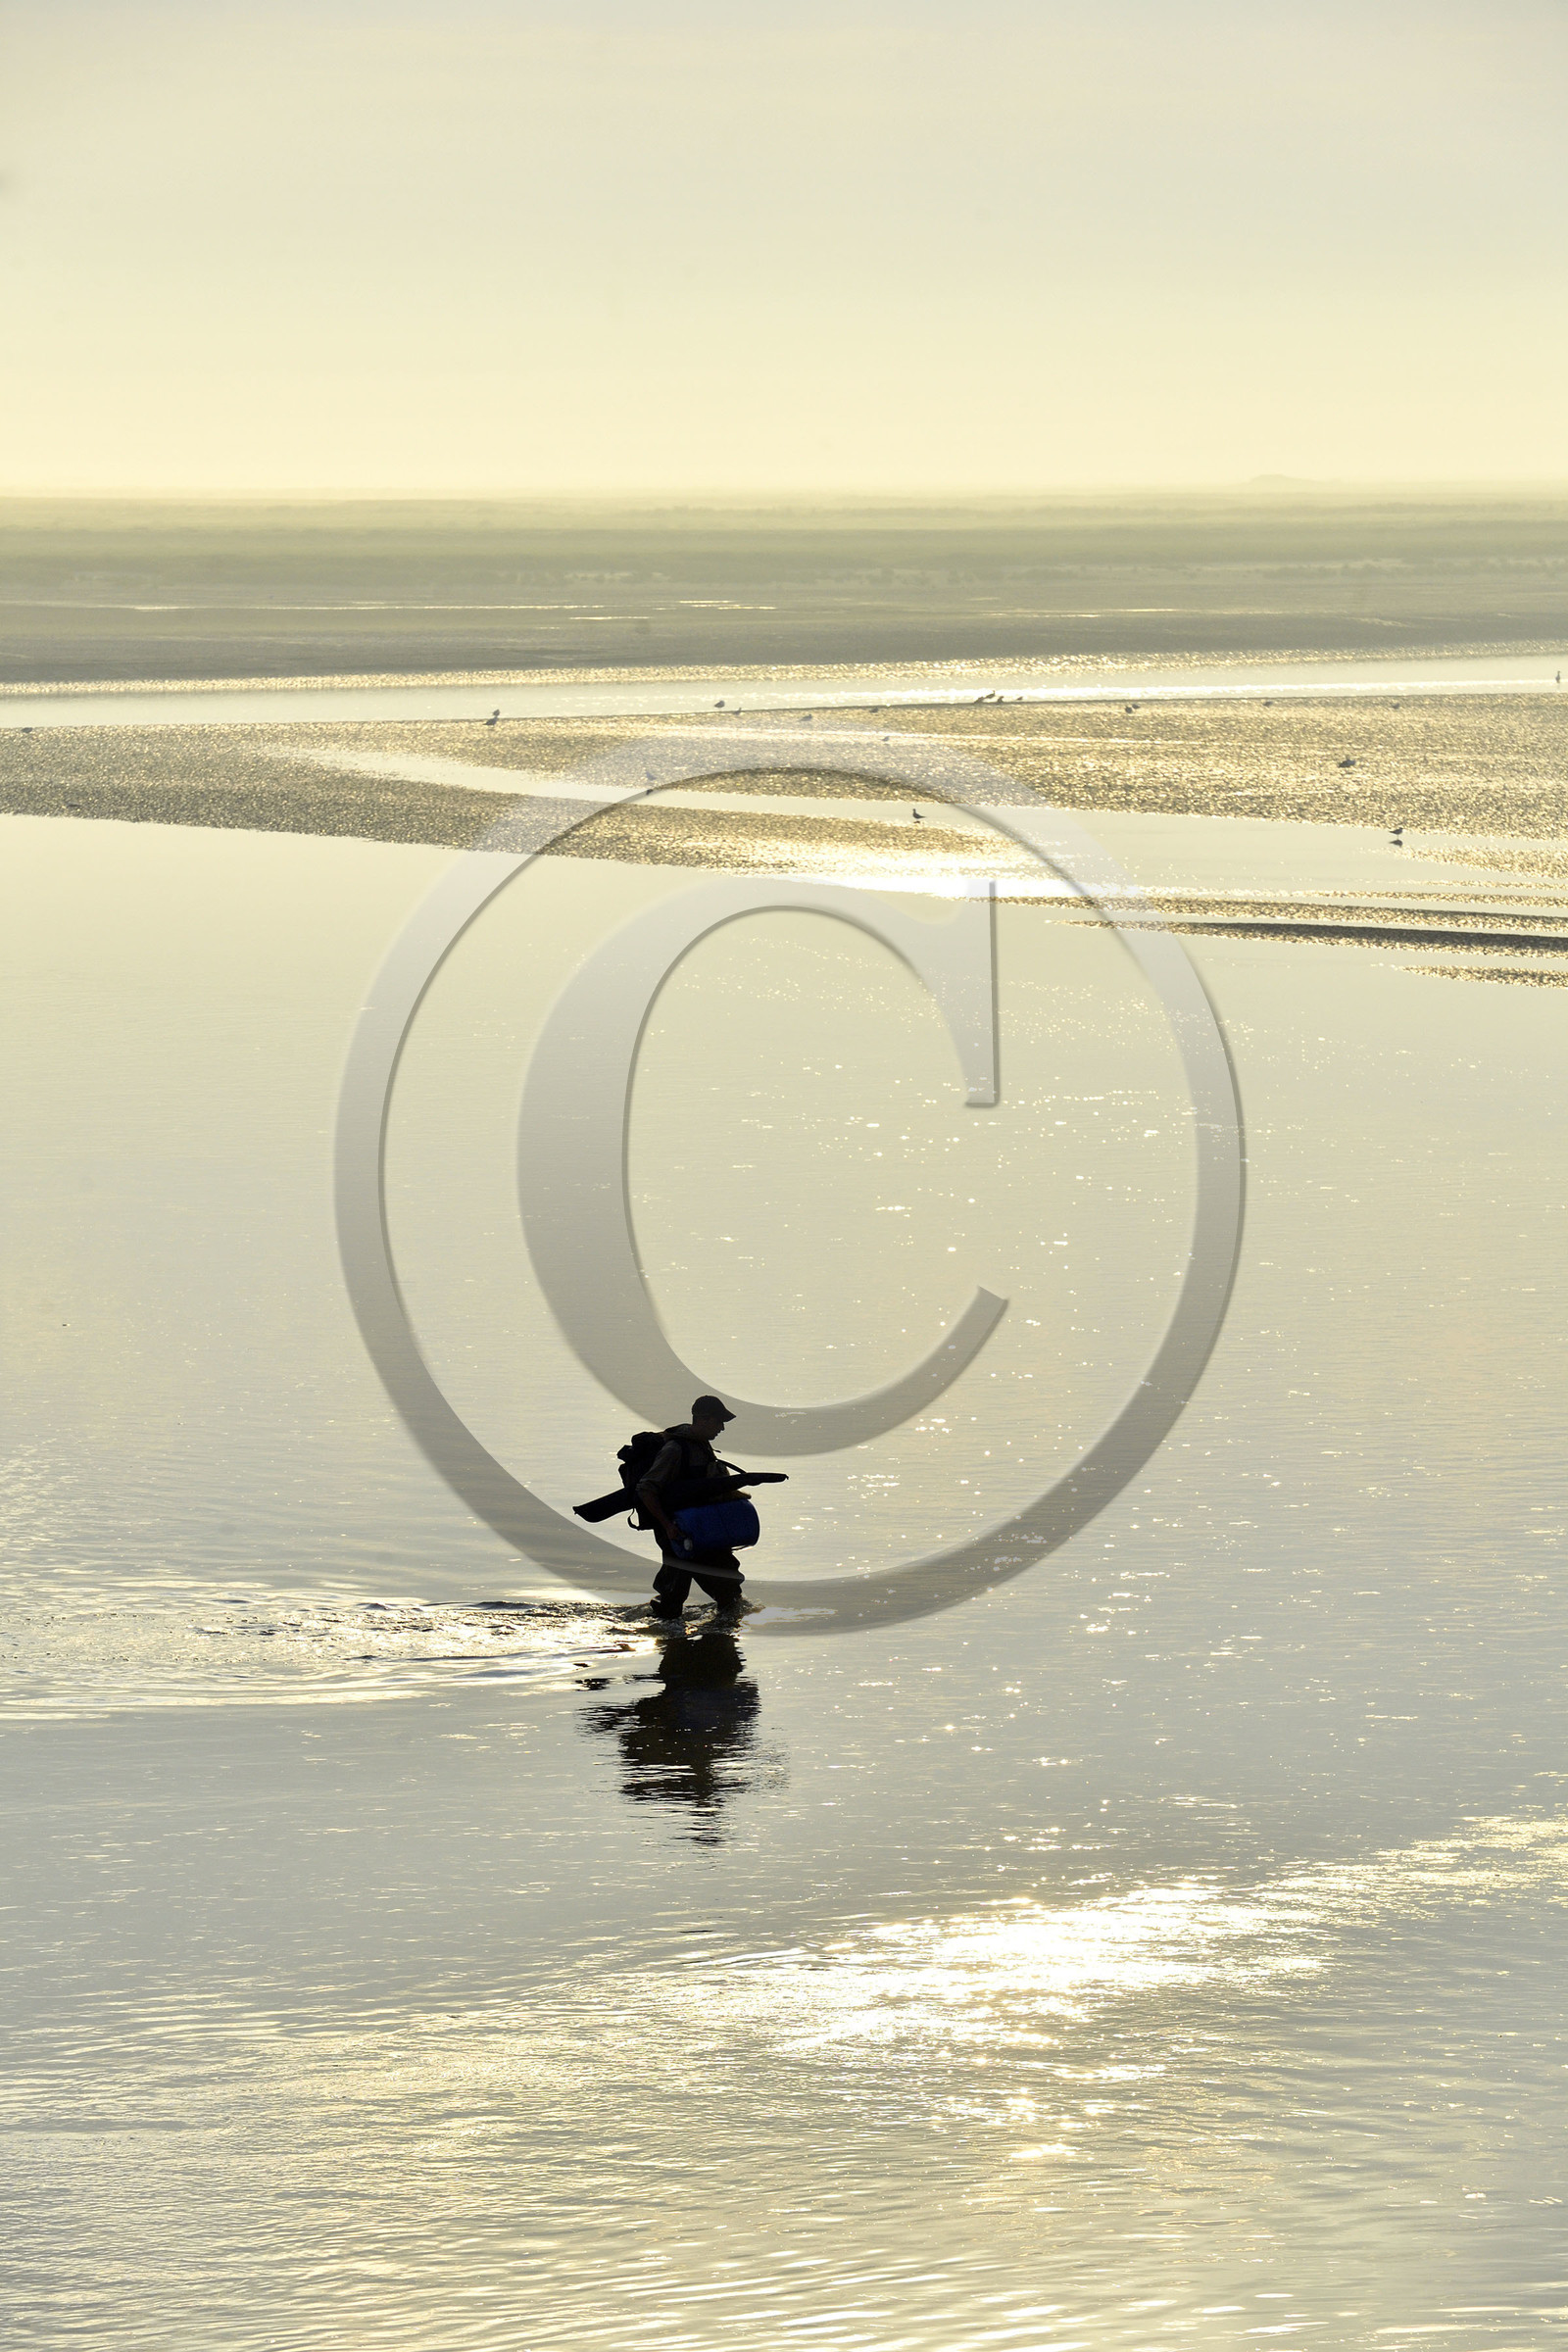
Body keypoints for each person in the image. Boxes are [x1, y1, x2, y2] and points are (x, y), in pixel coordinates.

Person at [636, 1395, 749, 1620]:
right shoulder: (675, 1449)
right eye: (719, 1422)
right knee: (673, 1597)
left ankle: (723, 1638)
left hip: (706, 1528)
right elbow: (646, 1488)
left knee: (729, 1589)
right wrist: (667, 1526)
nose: (723, 1428)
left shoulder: (703, 1446)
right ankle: (665, 1635)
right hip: (677, 1531)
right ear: (704, 1419)